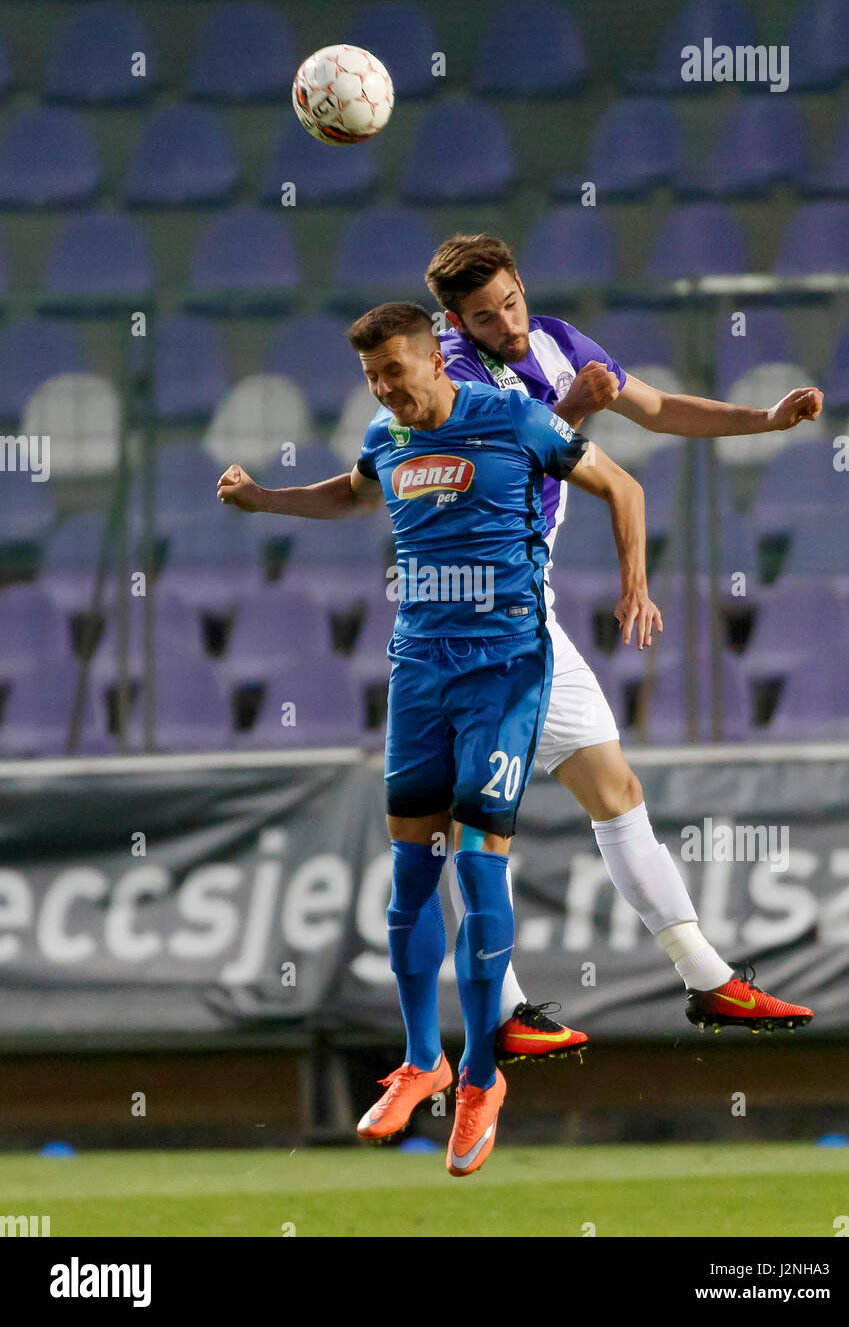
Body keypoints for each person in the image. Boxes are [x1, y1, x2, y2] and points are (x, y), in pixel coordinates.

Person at [218, 301, 659, 1175]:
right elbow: (347, 493)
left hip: (505, 667)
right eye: (372, 378)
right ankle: (424, 1061)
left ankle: (483, 1082)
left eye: (394, 372)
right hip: (419, 668)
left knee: (477, 861)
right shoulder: (388, 437)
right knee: (410, 878)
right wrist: (263, 499)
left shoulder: (517, 419)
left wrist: (632, 587)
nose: (383, 389)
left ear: (434, 362)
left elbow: (623, 485)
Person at [422, 233, 815, 1053]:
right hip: (471, 621)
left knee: (615, 789)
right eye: (488, 318)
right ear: (456, 321)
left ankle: (708, 981)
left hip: (532, 613)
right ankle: (499, 1012)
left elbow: (660, 410)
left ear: (523, 286)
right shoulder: (447, 375)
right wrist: (572, 413)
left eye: (513, 303)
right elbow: (489, 471)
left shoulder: (562, 343)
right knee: (480, 819)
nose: (510, 325)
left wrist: (765, 421)